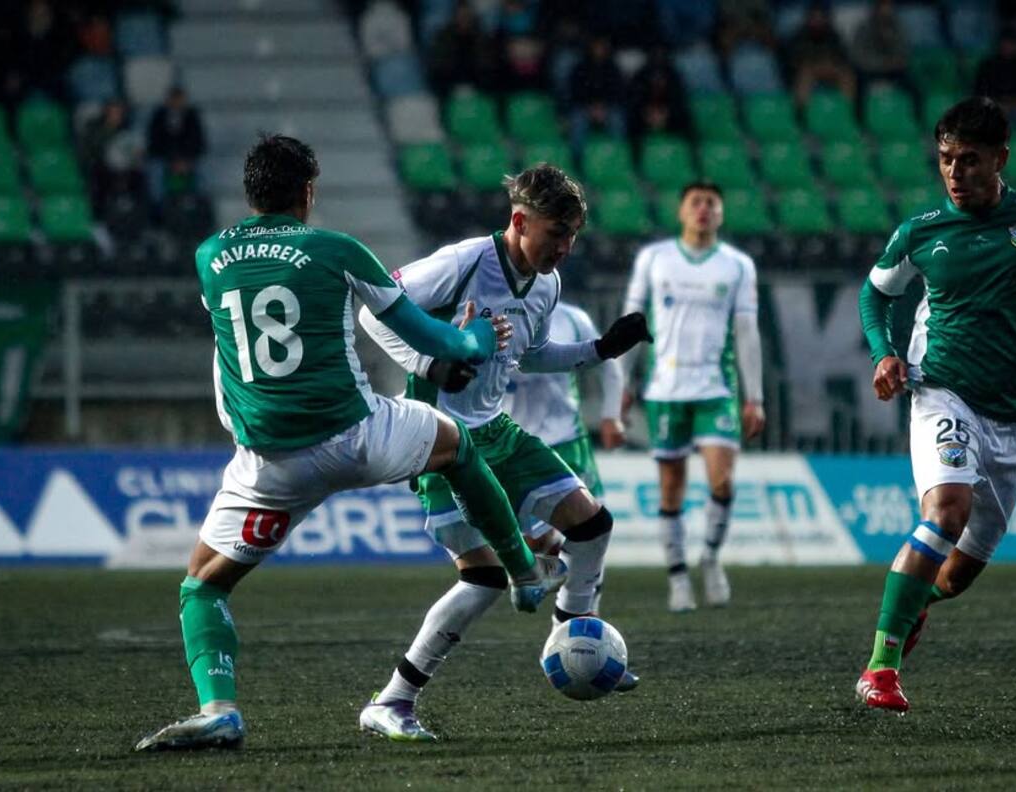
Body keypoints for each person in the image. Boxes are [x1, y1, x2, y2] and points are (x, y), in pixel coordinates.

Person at [134, 135, 567, 752]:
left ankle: (220, 708)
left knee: (202, 585)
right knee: (455, 444)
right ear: (308, 192)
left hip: (268, 466)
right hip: (355, 437)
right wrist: (475, 339)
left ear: (249, 191)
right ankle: (524, 573)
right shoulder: (337, 250)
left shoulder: (210, 256)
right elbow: (435, 340)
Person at [356, 164, 651, 741]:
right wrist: (426, 362)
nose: (563, 248)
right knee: (483, 580)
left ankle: (572, 635)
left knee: (592, 524)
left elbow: (531, 354)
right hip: (437, 436)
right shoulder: (462, 262)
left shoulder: (547, 283)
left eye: (571, 237)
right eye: (554, 234)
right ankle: (392, 701)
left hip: (495, 429)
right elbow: (372, 308)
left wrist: (599, 349)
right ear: (519, 220)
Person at [854, 97, 1016, 712]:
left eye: (969, 160)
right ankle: (880, 669)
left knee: (956, 575)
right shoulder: (920, 231)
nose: (955, 172)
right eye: (945, 159)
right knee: (946, 512)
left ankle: (915, 605)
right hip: (943, 389)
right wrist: (883, 354)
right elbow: (874, 293)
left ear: (1000, 158)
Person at [620, 181, 766, 613]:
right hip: (665, 389)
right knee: (671, 490)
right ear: (682, 211)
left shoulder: (737, 266)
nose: (703, 209)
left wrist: (754, 396)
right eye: (696, 203)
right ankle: (678, 577)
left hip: (716, 389)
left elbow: (746, 332)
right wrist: (622, 387)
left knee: (722, 480)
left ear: (721, 214)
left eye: (711, 204)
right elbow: (632, 322)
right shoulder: (654, 258)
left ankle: (711, 557)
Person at [503, 300, 627, 598]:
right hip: (516, 445)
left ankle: (584, 613)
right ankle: (535, 571)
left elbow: (609, 363)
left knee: (594, 527)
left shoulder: (573, 318)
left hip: (568, 439)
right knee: (537, 544)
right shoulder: (497, 317)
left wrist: (611, 415)